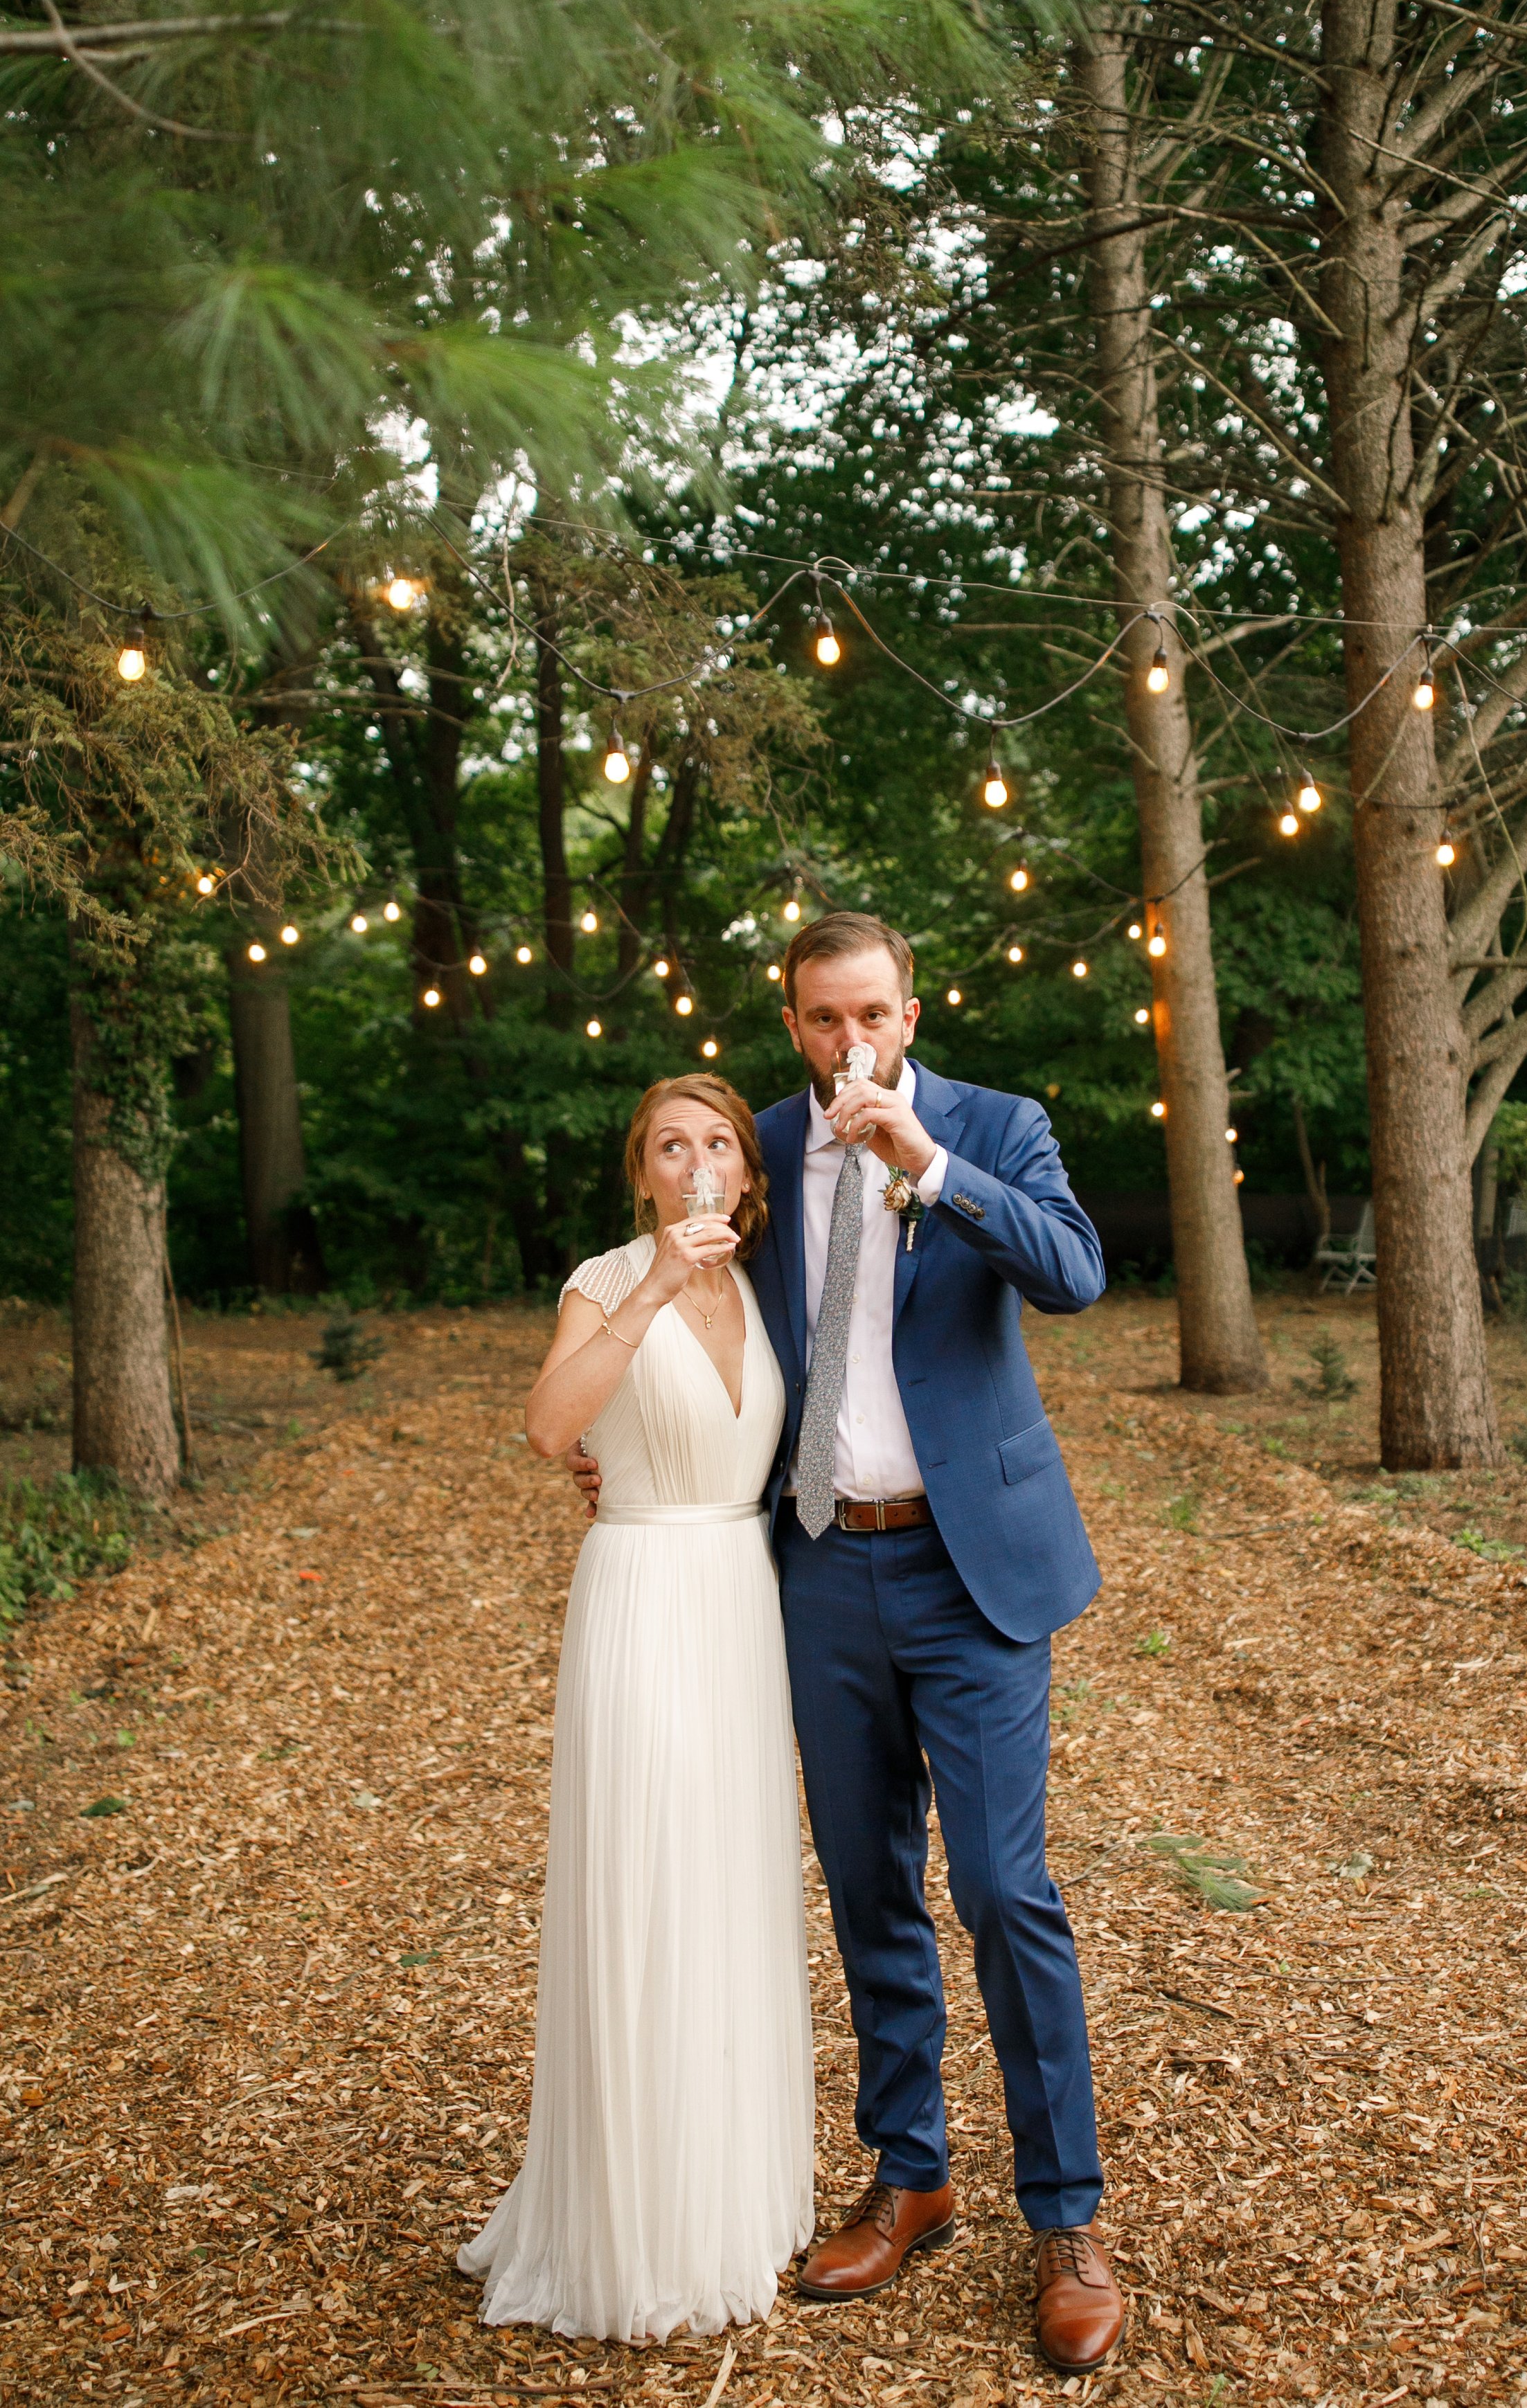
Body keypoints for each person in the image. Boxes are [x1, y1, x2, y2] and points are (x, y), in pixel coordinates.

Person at [572, 912, 1125, 2371]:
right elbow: (682, 1309)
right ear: (793, 1023)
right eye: (821, 1021)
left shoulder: (993, 1125)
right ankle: (911, 2173)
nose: (847, 1043)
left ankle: (1063, 2213)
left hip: (970, 1571)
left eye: (869, 1014)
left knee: (1004, 1891)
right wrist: (617, 1451)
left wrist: (926, 1171)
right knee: (869, 1890)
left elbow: (1074, 1274)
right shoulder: (750, 1148)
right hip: (813, 1568)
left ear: (910, 1009)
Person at [457, 1076, 812, 2343]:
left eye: (720, 1141)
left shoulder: (773, 1291)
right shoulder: (606, 1278)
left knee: (728, 1886)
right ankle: (630, 2218)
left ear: (749, 1172)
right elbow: (552, 1428)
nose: (699, 1160)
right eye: (674, 1143)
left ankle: (731, 2190)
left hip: (743, 1605)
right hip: (643, 1592)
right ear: (644, 1169)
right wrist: (653, 1287)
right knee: (648, 1880)